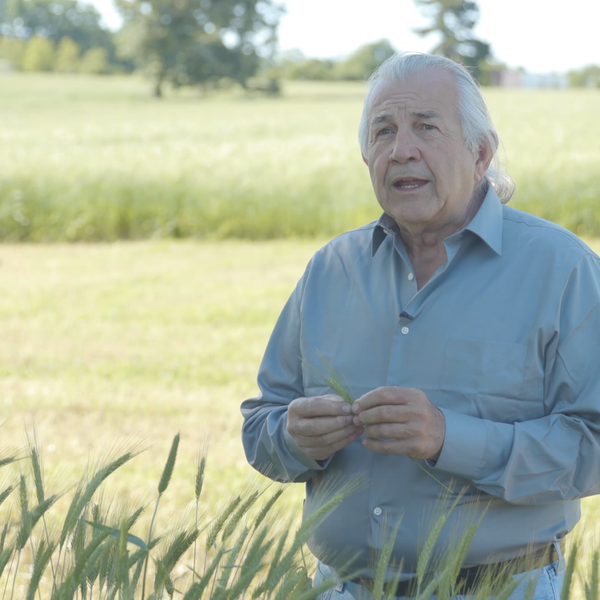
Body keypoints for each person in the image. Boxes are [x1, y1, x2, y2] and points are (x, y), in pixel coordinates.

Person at [240, 52, 600, 600]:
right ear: (366, 156)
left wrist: (447, 437)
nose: (400, 149)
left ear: (481, 152)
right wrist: (293, 437)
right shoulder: (330, 271)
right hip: (340, 588)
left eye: (426, 127)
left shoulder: (561, 268)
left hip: (498, 589)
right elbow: (261, 424)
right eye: (383, 131)